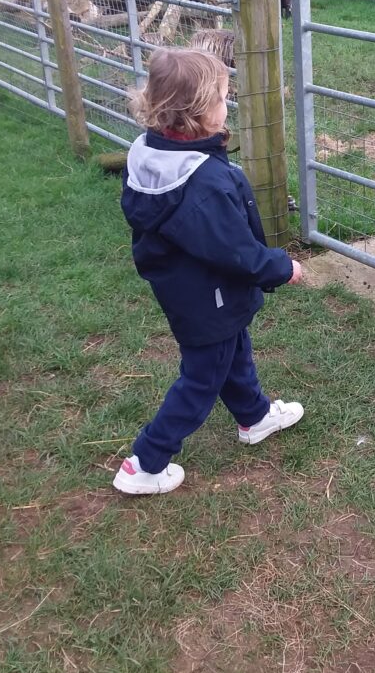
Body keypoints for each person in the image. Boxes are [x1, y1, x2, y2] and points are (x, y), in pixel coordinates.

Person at [112, 48, 303, 496]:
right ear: (196, 114)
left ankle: (253, 417)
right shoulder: (201, 183)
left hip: (187, 287)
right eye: (221, 98)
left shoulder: (149, 153)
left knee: (232, 349)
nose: (227, 105)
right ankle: (144, 462)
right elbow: (235, 251)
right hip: (208, 293)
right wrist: (281, 266)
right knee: (202, 378)